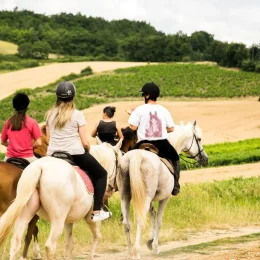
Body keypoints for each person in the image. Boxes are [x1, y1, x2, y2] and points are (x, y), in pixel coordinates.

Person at [45, 81, 110, 222]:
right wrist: (86, 149)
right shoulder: (77, 114)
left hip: (52, 155)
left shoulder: (49, 114)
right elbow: (85, 141)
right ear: (72, 97)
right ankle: (97, 211)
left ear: (57, 97)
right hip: (74, 153)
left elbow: (49, 138)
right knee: (101, 174)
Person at [128, 82, 181, 196]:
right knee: (176, 159)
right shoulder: (164, 110)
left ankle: (126, 187)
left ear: (147, 96)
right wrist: (160, 130)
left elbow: (133, 127)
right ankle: (175, 185)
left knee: (127, 159)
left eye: (143, 95)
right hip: (161, 143)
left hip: (143, 142)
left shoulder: (139, 109)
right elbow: (171, 128)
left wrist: (131, 115)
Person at [1, 93, 42, 162]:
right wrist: (29, 147)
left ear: (14, 106)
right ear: (27, 105)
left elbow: (3, 142)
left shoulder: (8, 122)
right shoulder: (32, 122)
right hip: (28, 158)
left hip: (9, 157)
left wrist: (13, 147)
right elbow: (39, 143)